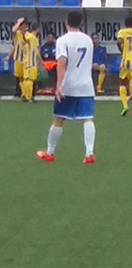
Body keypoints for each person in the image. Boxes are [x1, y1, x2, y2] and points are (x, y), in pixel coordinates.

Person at [36, 11, 96, 164]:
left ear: (66, 22)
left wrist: (58, 86)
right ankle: (89, 154)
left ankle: (50, 153)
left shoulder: (63, 40)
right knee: (87, 119)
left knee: (58, 119)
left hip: (69, 85)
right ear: (81, 23)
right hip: (86, 85)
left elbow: (61, 63)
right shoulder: (88, 40)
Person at [19, 23, 41, 102]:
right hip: (30, 62)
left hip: (29, 61)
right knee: (29, 80)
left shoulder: (31, 37)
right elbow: (37, 51)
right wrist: (41, 61)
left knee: (27, 79)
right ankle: (28, 97)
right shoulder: (31, 37)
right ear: (37, 29)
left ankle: (26, 95)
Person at [9, 17, 28, 98]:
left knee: (26, 77)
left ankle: (27, 94)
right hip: (18, 58)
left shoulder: (28, 35)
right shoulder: (17, 34)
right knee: (20, 77)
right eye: (21, 25)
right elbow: (13, 30)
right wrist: (18, 22)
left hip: (27, 59)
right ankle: (22, 93)